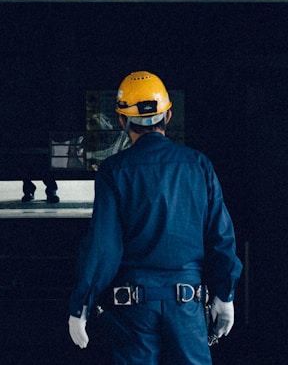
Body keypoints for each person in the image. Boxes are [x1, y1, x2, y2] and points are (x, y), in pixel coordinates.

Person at [65, 71, 243, 364]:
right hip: (187, 306)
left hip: (134, 310)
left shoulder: (114, 171)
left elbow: (103, 246)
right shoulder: (198, 165)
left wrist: (82, 303)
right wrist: (225, 295)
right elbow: (220, 236)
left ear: (122, 121)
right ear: (168, 116)